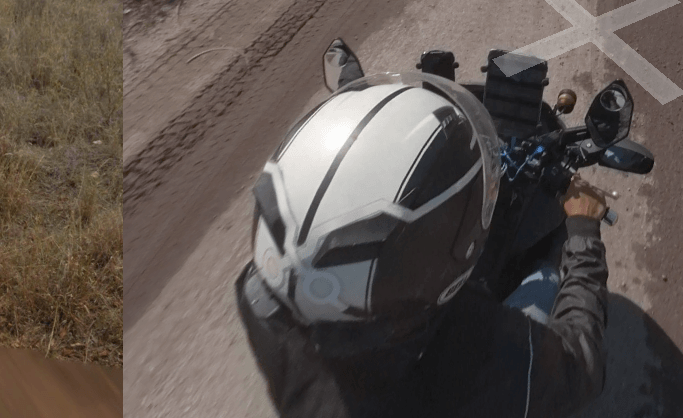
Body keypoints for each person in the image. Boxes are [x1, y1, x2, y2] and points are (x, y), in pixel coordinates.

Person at [235, 73, 609, 418]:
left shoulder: (263, 302)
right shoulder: (481, 358)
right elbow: (582, 365)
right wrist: (583, 230)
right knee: (544, 278)